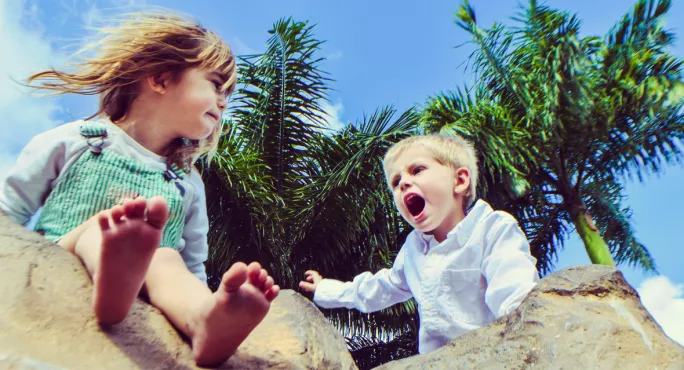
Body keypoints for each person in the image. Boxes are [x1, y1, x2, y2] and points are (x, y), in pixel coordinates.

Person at [0, 11, 279, 367]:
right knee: (103, 230)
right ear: (161, 78)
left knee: (166, 258)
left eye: (227, 93)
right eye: (215, 84)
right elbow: (9, 214)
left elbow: (192, 264)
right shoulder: (75, 141)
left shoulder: (187, 181)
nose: (224, 101)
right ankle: (112, 276)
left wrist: (203, 300)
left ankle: (202, 323)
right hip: (64, 255)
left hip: (150, 282)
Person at [299, 134, 539, 354]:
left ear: (460, 180)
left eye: (417, 170)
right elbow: (378, 288)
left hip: (489, 356)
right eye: (395, 182)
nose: (403, 182)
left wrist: (527, 339)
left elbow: (515, 292)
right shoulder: (413, 251)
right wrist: (325, 290)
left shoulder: (492, 229)